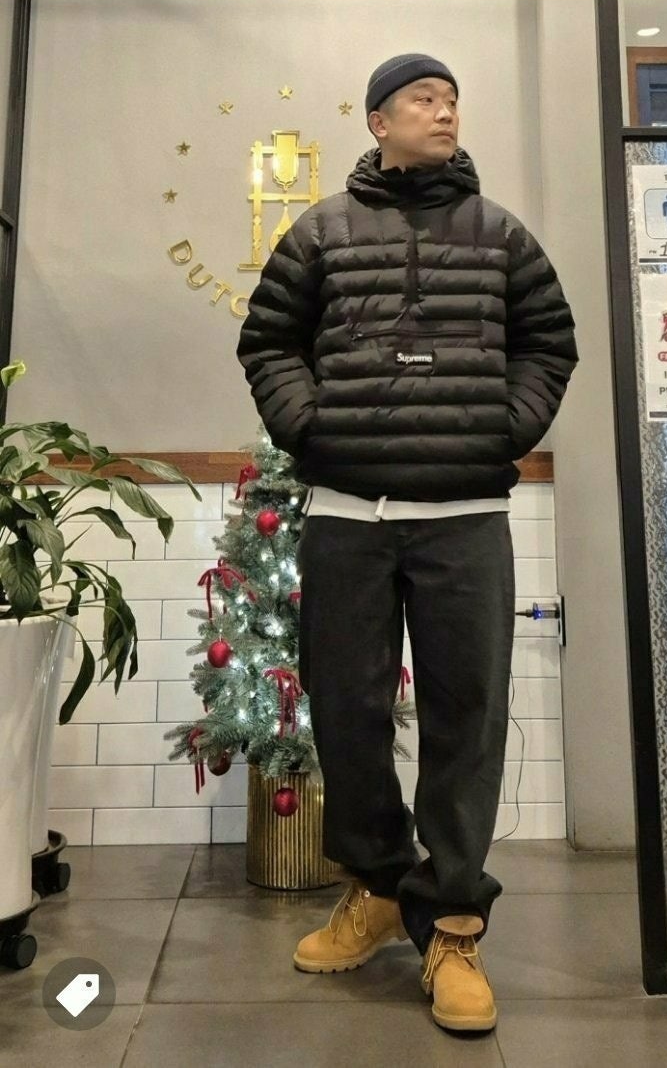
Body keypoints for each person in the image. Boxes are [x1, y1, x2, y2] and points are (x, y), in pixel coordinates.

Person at [236, 52, 577, 1033]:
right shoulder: (320, 232)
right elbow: (267, 341)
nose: (444, 111)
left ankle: (454, 926)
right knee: (345, 714)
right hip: (347, 514)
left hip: (466, 516)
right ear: (378, 121)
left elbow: (549, 344)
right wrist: (313, 429)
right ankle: (381, 887)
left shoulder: (501, 235)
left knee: (466, 720)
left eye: (451, 99)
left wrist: (500, 430)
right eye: (423, 99)